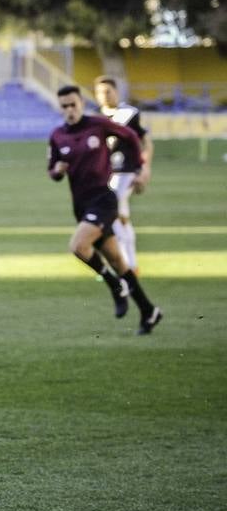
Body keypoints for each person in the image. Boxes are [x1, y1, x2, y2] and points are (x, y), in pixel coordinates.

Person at [48, 85, 161, 334]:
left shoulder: (97, 124)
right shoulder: (57, 135)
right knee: (118, 261)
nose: (69, 110)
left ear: (81, 103)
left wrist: (140, 167)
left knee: (78, 247)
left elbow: (131, 137)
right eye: (64, 106)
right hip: (81, 205)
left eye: (73, 104)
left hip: (104, 199)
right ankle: (149, 311)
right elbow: (52, 170)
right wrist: (57, 171)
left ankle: (114, 285)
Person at [93, 76, 153, 273]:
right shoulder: (95, 117)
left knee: (112, 215)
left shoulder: (128, 114)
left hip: (127, 172)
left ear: (116, 92)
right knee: (122, 218)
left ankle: (123, 266)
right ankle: (130, 265)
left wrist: (145, 168)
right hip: (106, 174)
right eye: (100, 92)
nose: (104, 95)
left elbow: (146, 141)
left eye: (108, 91)